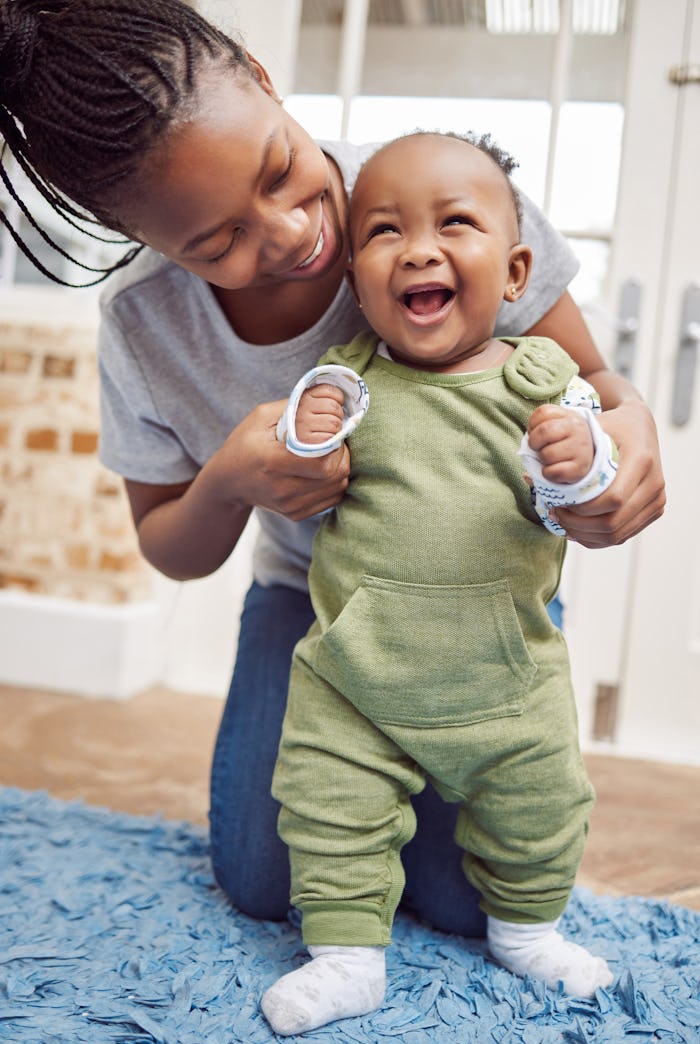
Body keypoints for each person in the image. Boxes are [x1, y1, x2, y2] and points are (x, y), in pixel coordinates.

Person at [0, 0, 664, 943]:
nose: (287, 232)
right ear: (143, 236)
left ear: (268, 83)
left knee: (470, 899)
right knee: (267, 879)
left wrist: (628, 434)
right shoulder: (146, 325)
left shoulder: (438, 196)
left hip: (481, 594)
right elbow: (167, 546)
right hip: (315, 600)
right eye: (217, 243)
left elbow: (595, 382)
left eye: (280, 167)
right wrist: (232, 477)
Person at [259, 131, 619, 1037]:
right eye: (384, 231)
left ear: (514, 271)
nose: (418, 248)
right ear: (357, 279)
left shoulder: (542, 383)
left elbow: (591, 491)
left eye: (455, 223)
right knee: (324, 798)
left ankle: (529, 929)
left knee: (543, 800)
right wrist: (309, 424)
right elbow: (303, 462)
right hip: (359, 672)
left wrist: (579, 465)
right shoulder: (348, 381)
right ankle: (345, 957)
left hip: (506, 673)